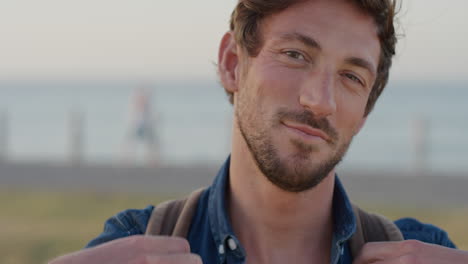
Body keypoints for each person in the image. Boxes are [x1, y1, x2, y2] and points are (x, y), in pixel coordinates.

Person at [49, 0, 468, 263]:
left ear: (364, 114)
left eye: (351, 77)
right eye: (295, 54)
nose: (320, 100)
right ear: (233, 63)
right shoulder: (136, 246)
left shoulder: (424, 251)